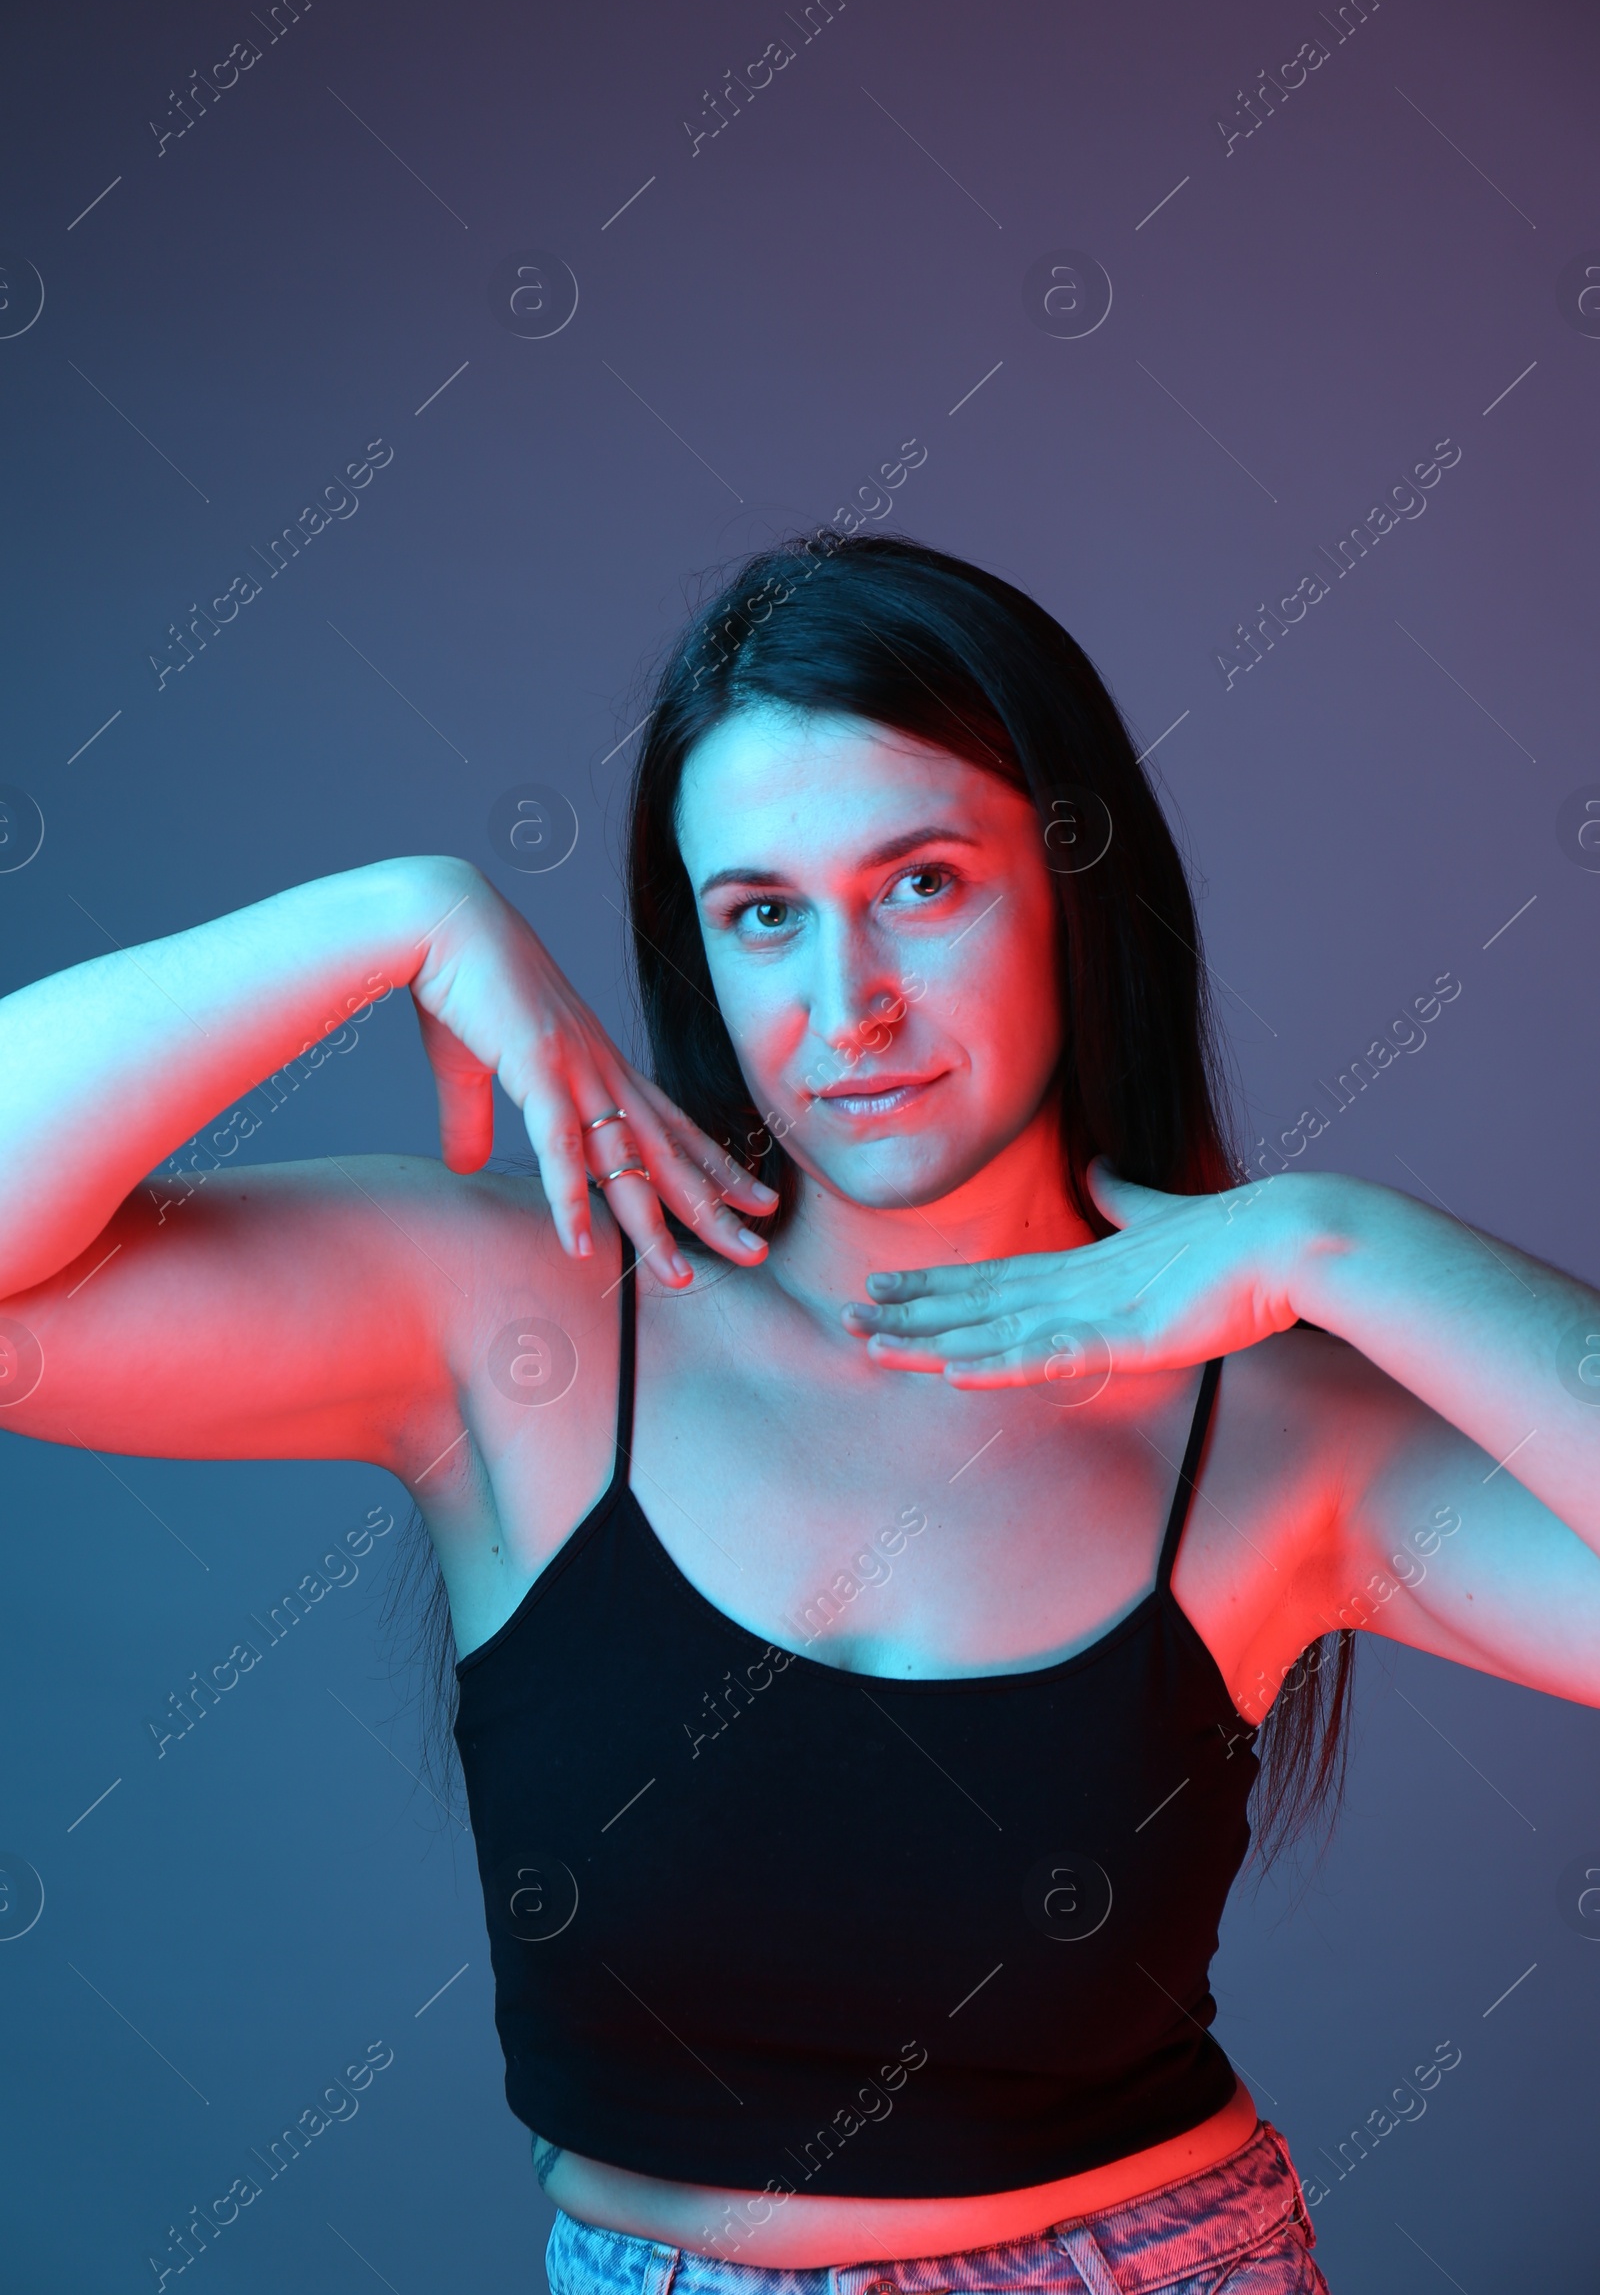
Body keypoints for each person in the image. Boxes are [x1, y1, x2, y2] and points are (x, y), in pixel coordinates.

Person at [2, 533, 1596, 2295]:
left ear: (1075, 882)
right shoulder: (526, 1306)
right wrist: (390, 913)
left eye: (922, 883)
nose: (850, 1009)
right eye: (763, 913)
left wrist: (1329, 1235)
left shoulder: (1282, 1427)